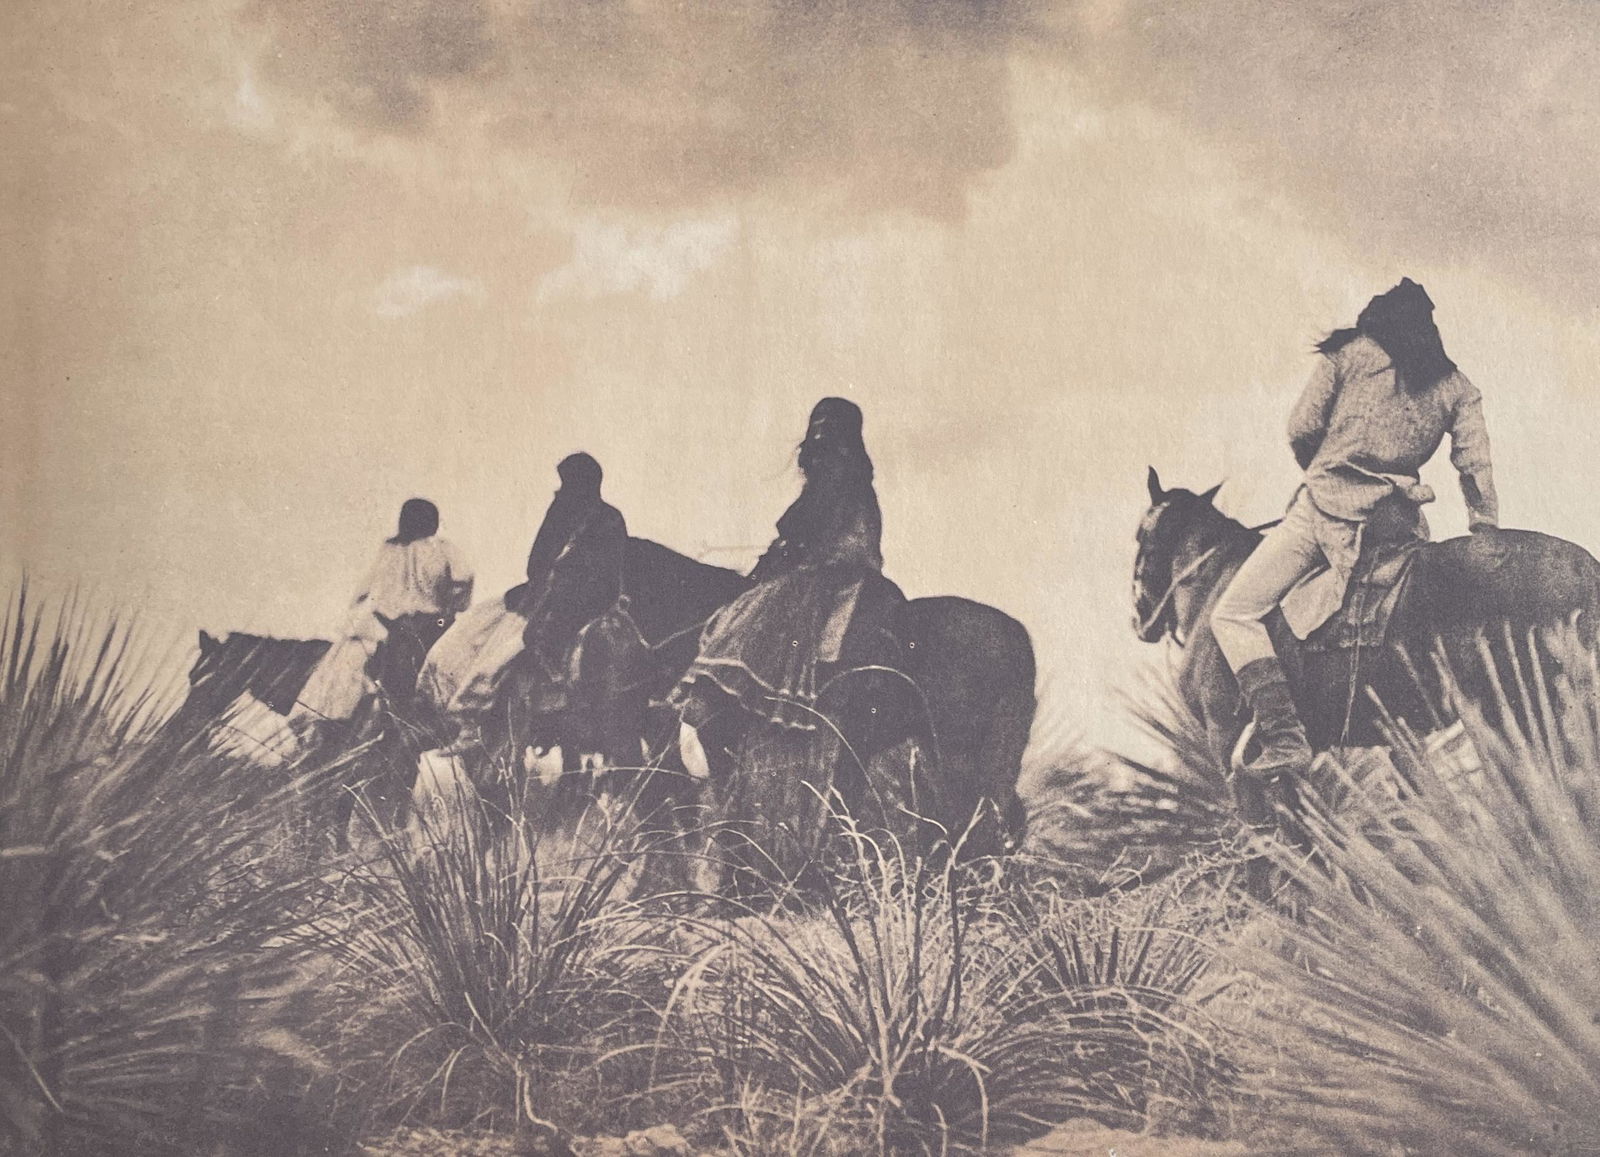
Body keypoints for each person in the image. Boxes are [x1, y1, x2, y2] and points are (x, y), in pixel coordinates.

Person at [1210, 278, 1498, 780]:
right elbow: (1474, 464)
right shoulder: (1457, 386)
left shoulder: (1347, 354)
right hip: (1395, 524)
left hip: (1322, 511)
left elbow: (1300, 428)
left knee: (1233, 615)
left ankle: (1282, 737)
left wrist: (1325, 468)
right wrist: (1483, 524)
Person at [673, 397, 905, 761]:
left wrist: (799, 555)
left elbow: (840, 540)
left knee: (759, 610)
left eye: (826, 434)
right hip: (822, 571)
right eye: (816, 432)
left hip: (831, 577)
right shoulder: (835, 482)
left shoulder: (842, 481)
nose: (817, 444)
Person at [437, 452, 628, 753]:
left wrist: (560, 582)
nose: (563, 488)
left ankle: (479, 718)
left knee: (506, 651)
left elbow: (552, 564)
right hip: (567, 598)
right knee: (494, 640)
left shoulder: (587, 515)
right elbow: (542, 562)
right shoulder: (593, 515)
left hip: (573, 601)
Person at [292, 498, 474, 738]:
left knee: (347, 672)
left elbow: (363, 591)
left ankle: (336, 723)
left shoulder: (390, 549)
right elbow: (464, 579)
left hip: (389, 625)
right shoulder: (442, 550)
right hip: (426, 625)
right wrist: (449, 607)